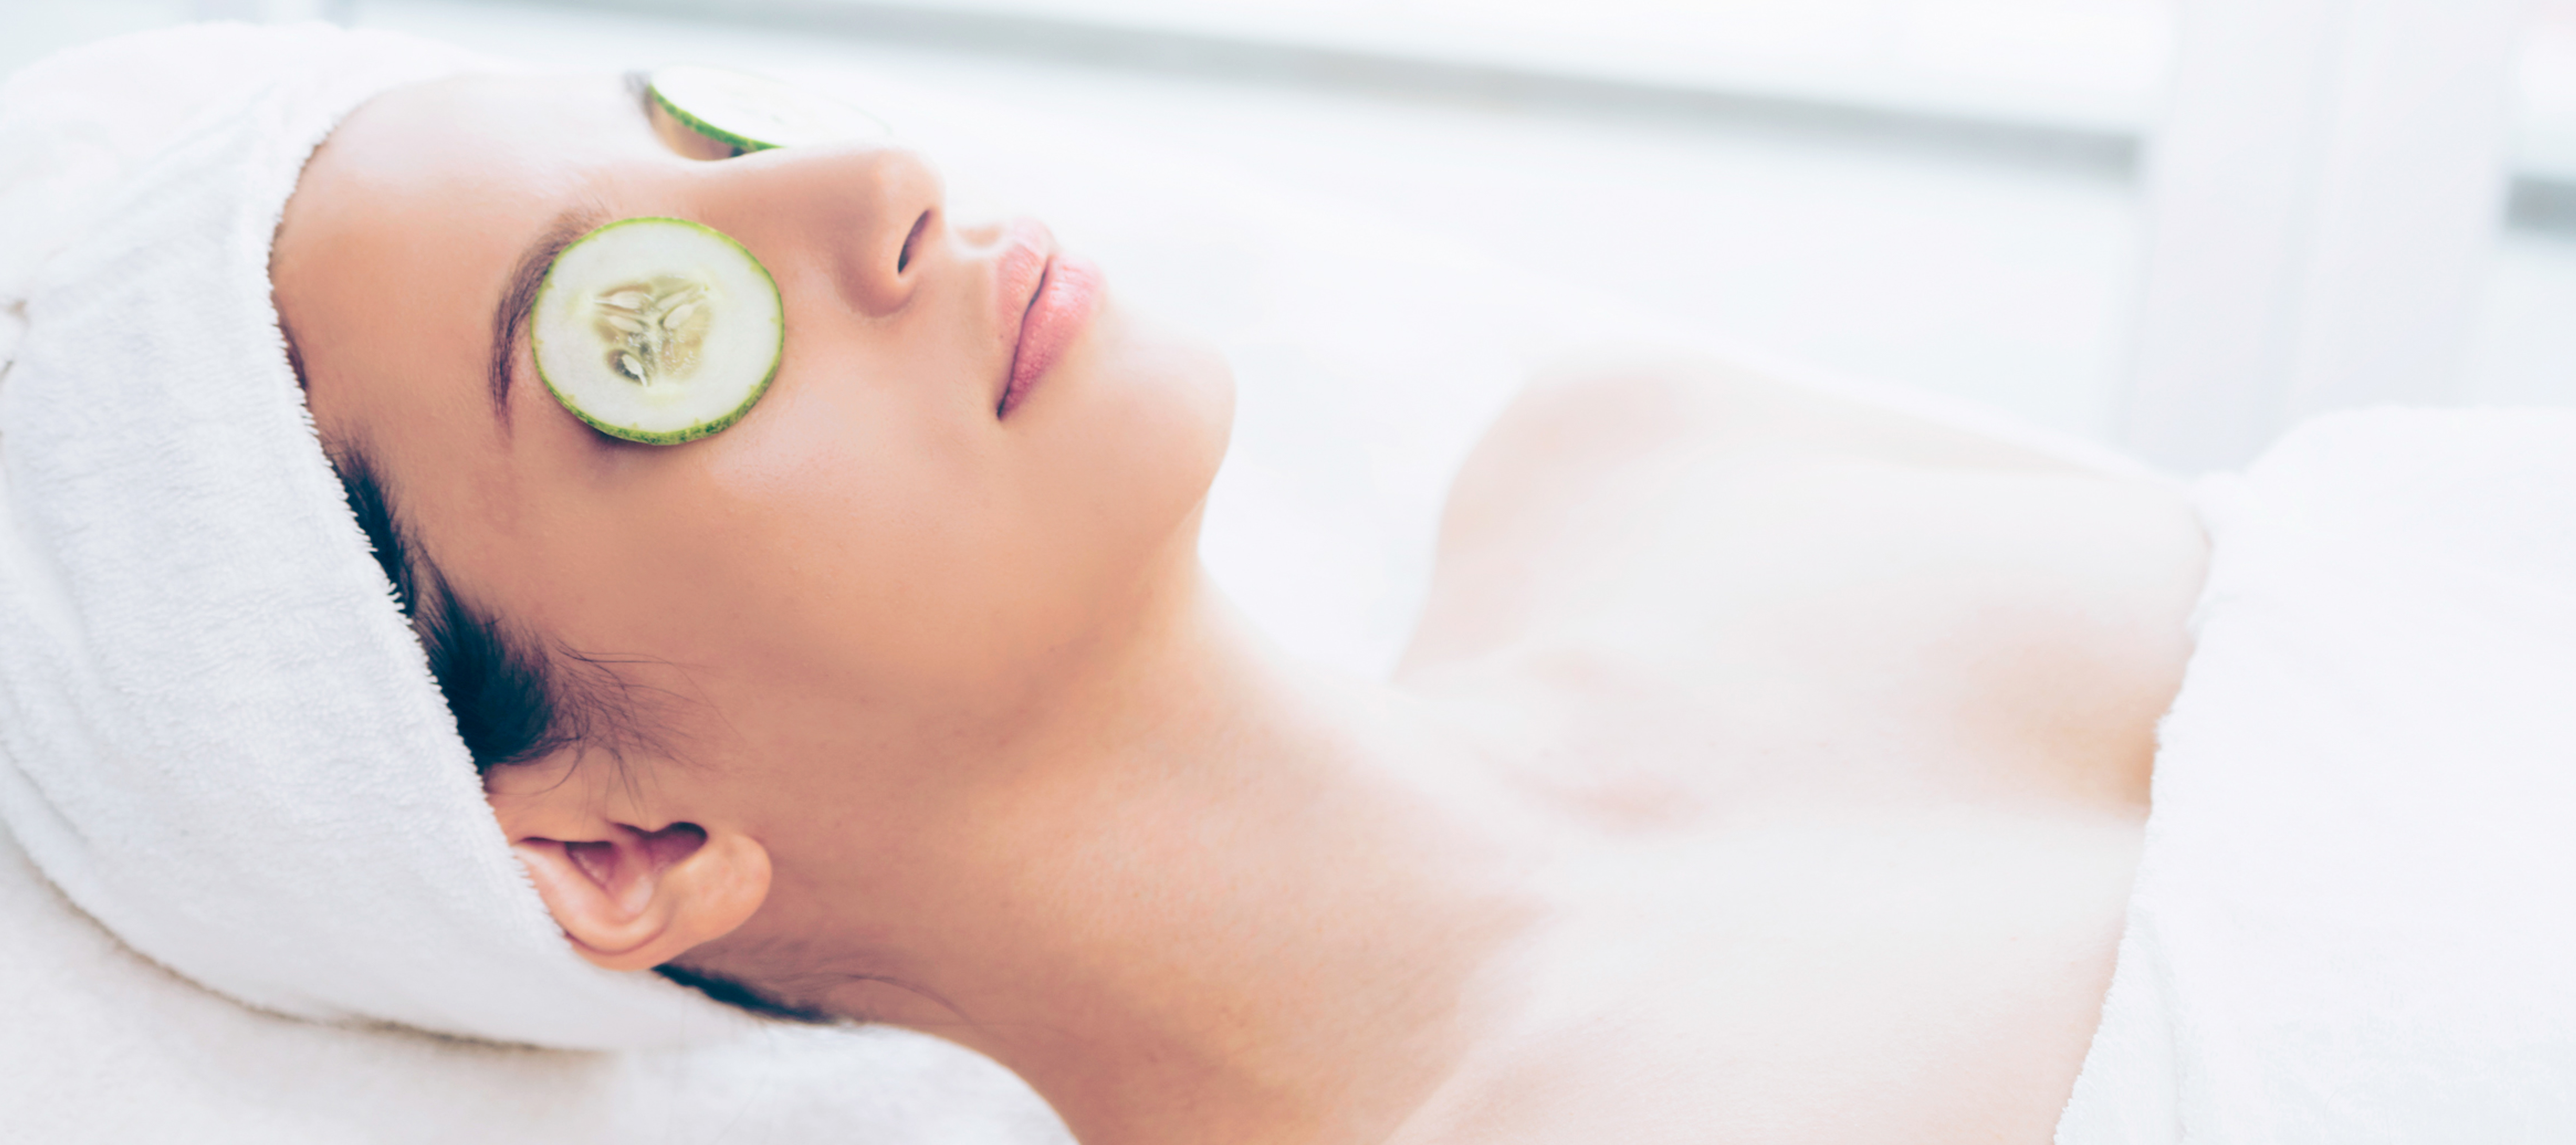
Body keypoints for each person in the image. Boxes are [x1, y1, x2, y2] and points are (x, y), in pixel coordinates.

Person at [272, 64, 2206, 1144]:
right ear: (622, 848)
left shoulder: (1654, 463)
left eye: (711, 142)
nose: (879, 177)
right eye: (645, 326)